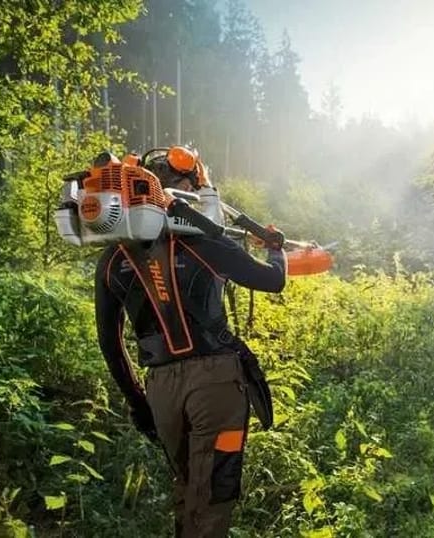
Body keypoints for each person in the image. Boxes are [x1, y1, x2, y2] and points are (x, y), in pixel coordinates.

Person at [94, 145, 286, 537]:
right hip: (216, 383)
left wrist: (138, 404)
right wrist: (276, 250)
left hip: (161, 388)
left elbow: (110, 344)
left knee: (186, 488)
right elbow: (272, 280)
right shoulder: (204, 238)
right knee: (213, 495)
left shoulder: (112, 259)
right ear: (188, 186)